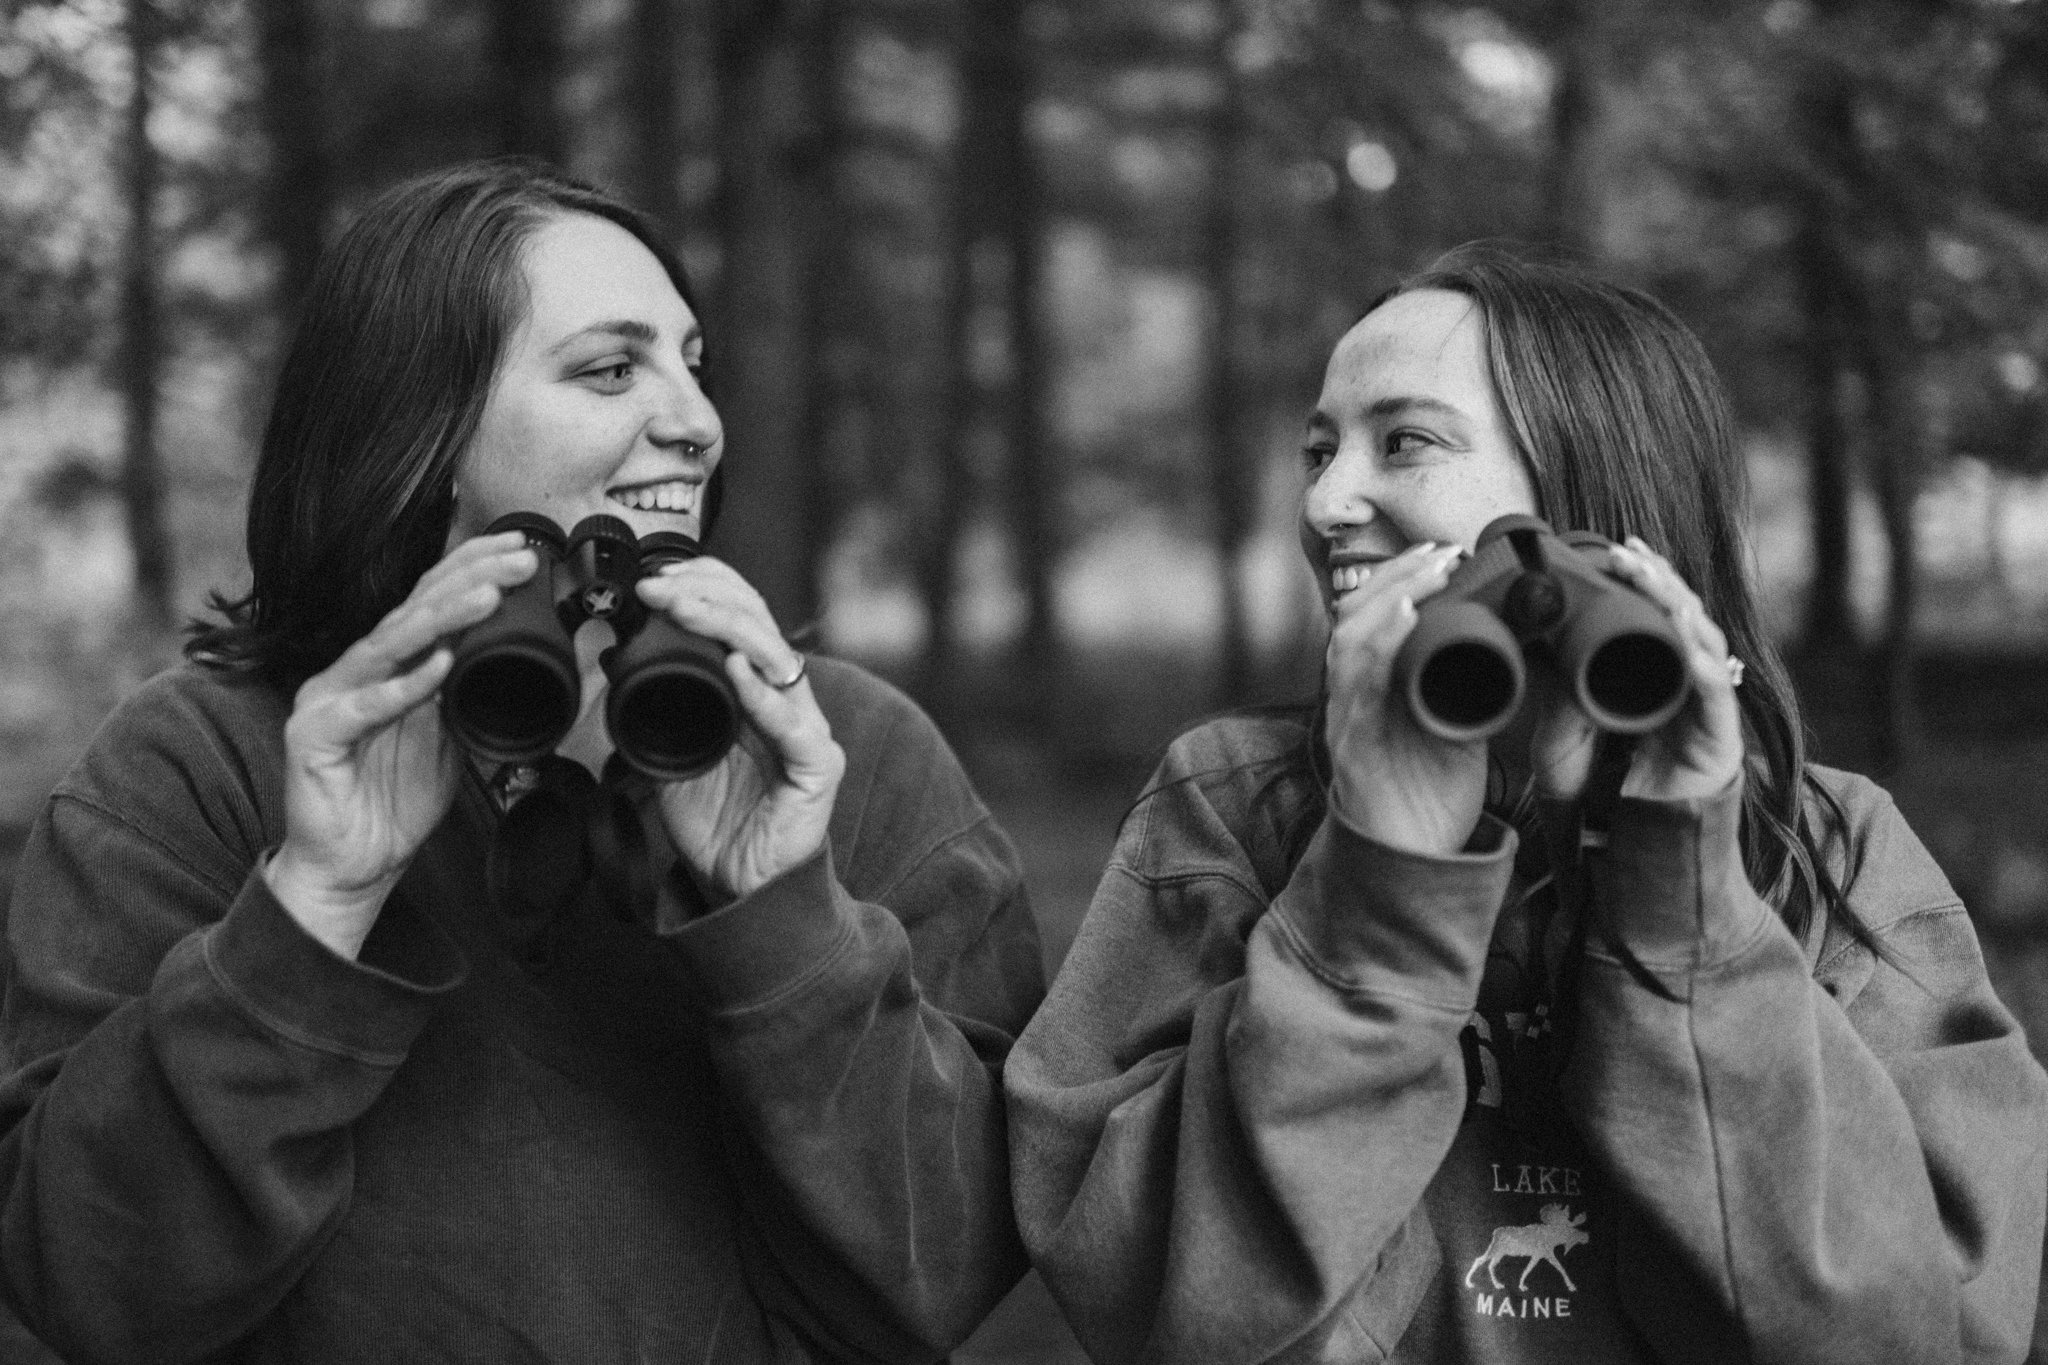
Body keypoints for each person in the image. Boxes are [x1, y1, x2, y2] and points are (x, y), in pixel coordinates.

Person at [0, 158, 1043, 1364]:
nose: (696, 423)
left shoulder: (850, 751)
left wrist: (788, 922)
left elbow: (958, 1269)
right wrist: (313, 907)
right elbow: (93, 1289)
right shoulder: (197, 764)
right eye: (611, 369)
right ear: (425, 430)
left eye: (691, 366)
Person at [1005, 244, 2048, 1363]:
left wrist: (1683, 896)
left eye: (1400, 442)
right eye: (1318, 449)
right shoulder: (1231, 809)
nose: (1321, 500)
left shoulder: (1832, 854)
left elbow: (1912, 1338)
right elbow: (1158, 1307)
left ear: (1587, 492)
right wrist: (1378, 877)